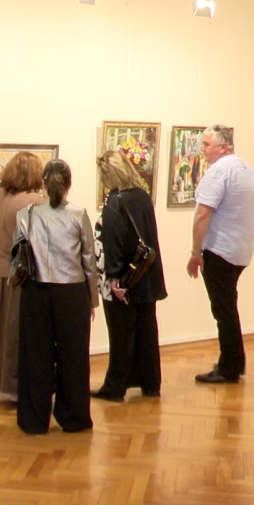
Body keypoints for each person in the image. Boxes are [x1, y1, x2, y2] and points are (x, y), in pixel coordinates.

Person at [14, 159, 99, 434]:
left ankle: (34, 419)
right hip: (72, 292)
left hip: (35, 291)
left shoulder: (25, 215)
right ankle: (74, 417)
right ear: (69, 185)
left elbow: (16, 255)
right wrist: (93, 300)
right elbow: (89, 261)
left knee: (35, 355)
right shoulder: (78, 215)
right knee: (73, 356)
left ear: (43, 183)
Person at [91, 150, 167, 402]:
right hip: (146, 275)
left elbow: (114, 242)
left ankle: (115, 386)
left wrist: (115, 279)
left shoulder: (115, 202)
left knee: (121, 334)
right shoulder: (142, 196)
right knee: (147, 331)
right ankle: (150, 383)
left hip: (125, 278)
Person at [185, 125, 254, 384]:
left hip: (219, 250)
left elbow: (202, 215)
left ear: (223, 147)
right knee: (228, 307)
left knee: (223, 310)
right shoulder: (247, 171)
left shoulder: (218, 172)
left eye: (207, 145)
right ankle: (235, 360)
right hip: (240, 250)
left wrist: (195, 252)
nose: (203, 149)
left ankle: (229, 368)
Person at [0, 152, 45, 402]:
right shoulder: (33, 201)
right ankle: (17, 387)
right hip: (21, 274)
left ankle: (1, 381)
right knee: (17, 331)